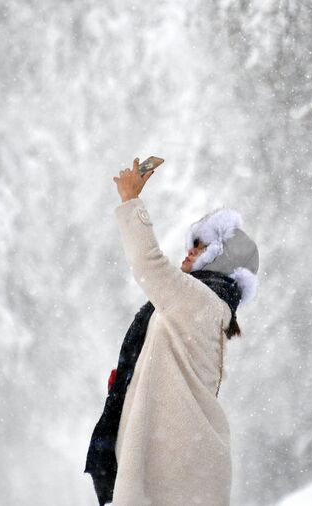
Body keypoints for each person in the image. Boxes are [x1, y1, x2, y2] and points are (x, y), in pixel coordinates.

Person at [85, 158, 259, 505]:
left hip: (174, 470)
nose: (190, 251)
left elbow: (148, 263)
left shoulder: (202, 302)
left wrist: (131, 201)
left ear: (219, 260)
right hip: (184, 467)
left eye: (201, 247)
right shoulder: (206, 309)